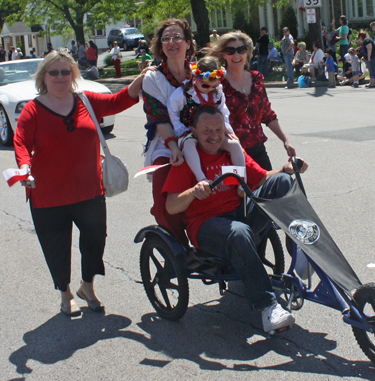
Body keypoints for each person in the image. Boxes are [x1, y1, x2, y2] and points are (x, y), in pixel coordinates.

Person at [13, 50, 146, 317]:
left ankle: (87, 286)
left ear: (73, 75)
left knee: (95, 240)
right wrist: (25, 168)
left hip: (88, 190)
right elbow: (21, 143)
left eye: (65, 72)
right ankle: (65, 293)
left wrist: (142, 78)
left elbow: (119, 101)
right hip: (48, 195)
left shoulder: (87, 101)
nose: (60, 77)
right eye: (54, 72)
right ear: (44, 77)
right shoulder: (33, 109)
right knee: (56, 245)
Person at [163, 105, 308, 332]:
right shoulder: (186, 161)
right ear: (193, 131)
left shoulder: (231, 151)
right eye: (206, 131)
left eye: (218, 130)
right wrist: (192, 192)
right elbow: (171, 206)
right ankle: (268, 307)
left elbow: (261, 178)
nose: (214, 136)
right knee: (239, 231)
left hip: (239, 213)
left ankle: (300, 250)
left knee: (283, 183)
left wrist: (285, 168)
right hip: (206, 225)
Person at [141, 18, 195, 245]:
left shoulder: (199, 73)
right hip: (167, 145)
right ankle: (180, 248)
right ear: (160, 46)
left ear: (188, 43)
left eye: (177, 37)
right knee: (164, 198)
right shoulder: (153, 78)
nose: (172, 42)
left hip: (201, 140)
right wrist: (174, 148)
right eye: (166, 39)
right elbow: (159, 119)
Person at [210, 31, 296, 171]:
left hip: (257, 149)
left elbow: (268, 115)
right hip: (229, 153)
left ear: (247, 53)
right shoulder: (217, 83)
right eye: (230, 51)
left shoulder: (257, 79)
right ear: (223, 54)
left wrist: (286, 141)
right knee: (239, 192)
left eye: (241, 50)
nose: (236, 55)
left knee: (268, 189)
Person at [167, 56, 246, 189]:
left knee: (234, 145)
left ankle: (240, 183)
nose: (210, 88)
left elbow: (224, 112)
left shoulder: (218, 93)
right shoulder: (182, 94)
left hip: (212, 132)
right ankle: (202, 179)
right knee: (189, 144)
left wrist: (227, 130)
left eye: (215, 85)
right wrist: (182, 130)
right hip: (190, 132)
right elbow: (173, 113)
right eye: (205, 85)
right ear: (195, 78)